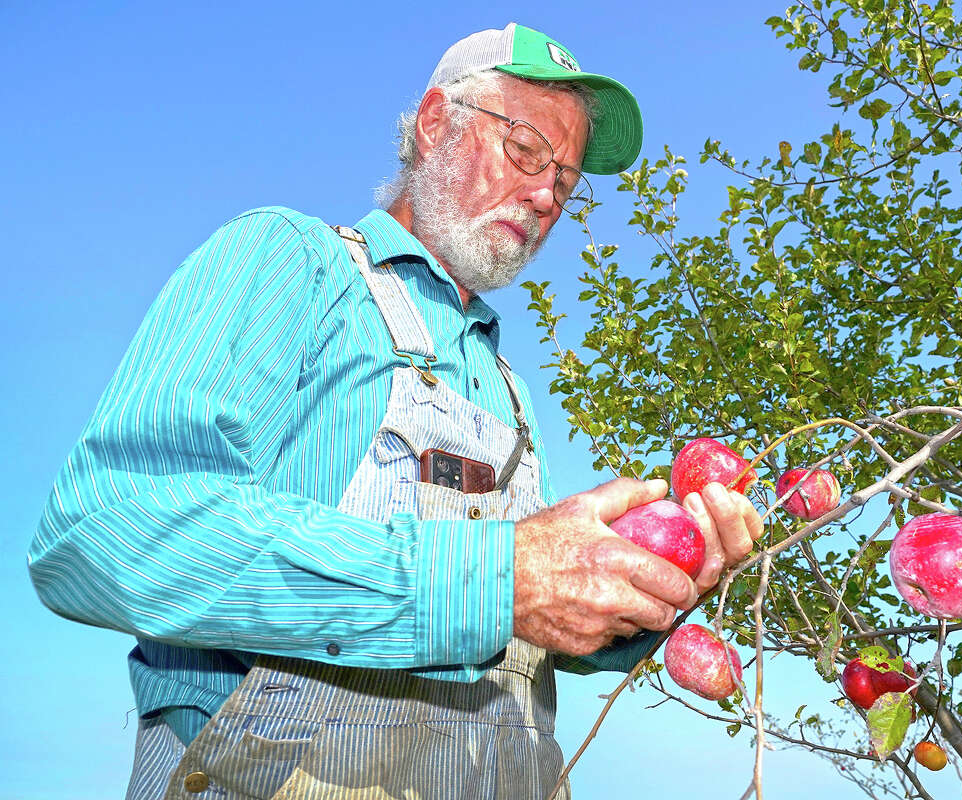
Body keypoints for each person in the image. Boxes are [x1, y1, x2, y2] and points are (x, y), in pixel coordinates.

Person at [28, 22, 763, 800]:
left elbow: (529, 629)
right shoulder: (294, 265)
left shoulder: (506, 386)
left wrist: (640, 593)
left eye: (569, 182)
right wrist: (496, 581)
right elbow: (104, 531)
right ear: (436, 121)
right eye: (525, 151)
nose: (548, 196)